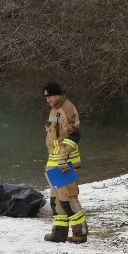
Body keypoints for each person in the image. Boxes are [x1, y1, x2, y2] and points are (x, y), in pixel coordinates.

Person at [42, 82, 88, 243]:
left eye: (51, 96)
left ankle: (80, 233)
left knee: (69, 199)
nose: (48, 100)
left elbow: (73, 136)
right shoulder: (54, 110)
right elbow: (53, 136)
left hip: (64, 164)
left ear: (60, 94)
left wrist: (63, 159)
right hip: (54, 163)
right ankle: (59, 233)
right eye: (46, 97)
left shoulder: (66, 110)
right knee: (56, 201)